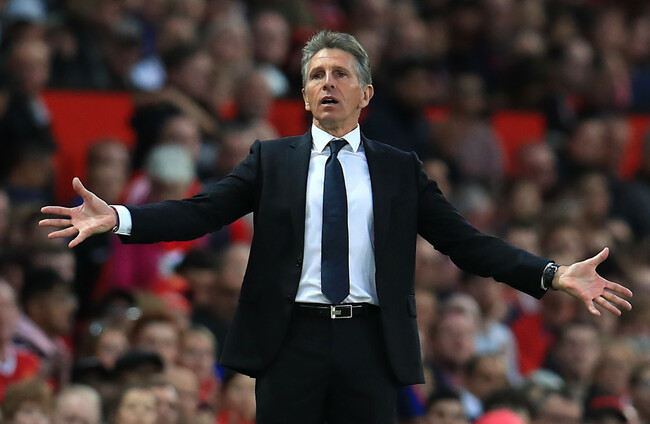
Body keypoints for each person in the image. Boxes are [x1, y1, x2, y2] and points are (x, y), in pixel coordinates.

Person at [40, 31, 632, 423]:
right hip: (288, 340)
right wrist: (119, 217)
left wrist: (550, 274)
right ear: (303, 95)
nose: (328, 82)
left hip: (369, 344)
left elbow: (465, 243)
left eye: (341, 74)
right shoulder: (271, 160)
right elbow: (200, 211)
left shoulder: (399, 170)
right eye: (317, 74)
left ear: (365, 93)